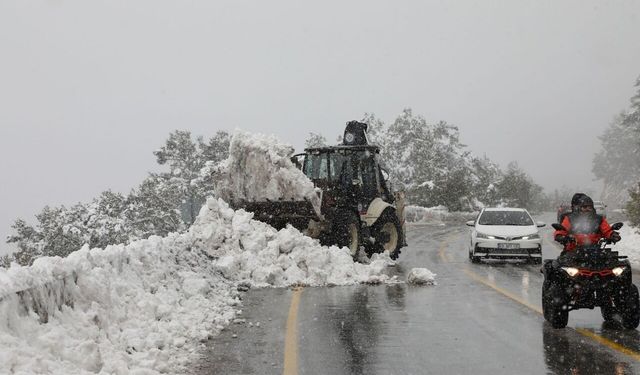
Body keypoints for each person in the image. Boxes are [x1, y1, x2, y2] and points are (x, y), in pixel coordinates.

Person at [554, 194, 621, 252]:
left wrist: (613, 235)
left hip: (595, 252)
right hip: (573, 251)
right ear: (579, 208)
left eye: (590, 207)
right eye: (584, 207)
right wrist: (560, 236)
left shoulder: (599, 219)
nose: (587, 209)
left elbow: (607, 231)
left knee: (617, 264)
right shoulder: (570, 218)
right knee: (560, 264)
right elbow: (562, 230)